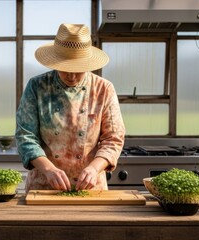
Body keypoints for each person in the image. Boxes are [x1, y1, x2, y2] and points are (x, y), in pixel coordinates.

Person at [15, 23, 125, 192]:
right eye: (65, 68)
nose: (72, 76)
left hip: (90, 187)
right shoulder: (37, 87)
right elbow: (25, 136)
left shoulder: (103, 89)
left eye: (78, 69)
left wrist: (95, 168)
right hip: (44, 186)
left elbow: (113, 138)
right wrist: (48, 169)